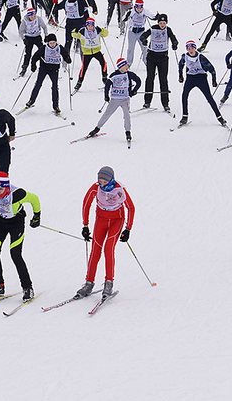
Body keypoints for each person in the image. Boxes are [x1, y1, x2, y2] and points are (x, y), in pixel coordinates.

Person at [0, 172, 40, 302]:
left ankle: (28, 287)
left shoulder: (17, 194)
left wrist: (36, 216)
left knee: (15, 254)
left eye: (1, 189)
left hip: (16, 223)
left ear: (7, 187)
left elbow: (34, 199)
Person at [74, 166, 135, 299]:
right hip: (101, 220)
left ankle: (109, 283)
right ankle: (88, 283)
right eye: (100, 181)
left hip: (116, 221)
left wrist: (128, 228)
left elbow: (131, 207)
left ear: (111, 179)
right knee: (95, 250)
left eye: (105, 182)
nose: (102, 184)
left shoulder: (120, 189)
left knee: (108, 249)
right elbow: (86, 203)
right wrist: (85, 225)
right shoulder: (95, 188)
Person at [88, 58, 141, 142]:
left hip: (125, 99)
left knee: (127, 115)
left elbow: (138, 81)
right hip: (115, 99)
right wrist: (106, 96)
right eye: (126, 65)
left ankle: (128, 132)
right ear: (121, 67)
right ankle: (97, 128)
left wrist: (134, 91)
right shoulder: (114, 75)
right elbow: (107, 86)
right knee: (107, 114)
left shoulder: (129, 74)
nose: (128, 66)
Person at [177, 40, 226, 127]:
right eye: (188, 48)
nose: (190, 50)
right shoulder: (185, 57)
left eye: (192, 48)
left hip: (201, 78)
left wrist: (214, 80)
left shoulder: (201, 57)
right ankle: (184, 116)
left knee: (209, 98)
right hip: (190, 78)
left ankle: (220, 117)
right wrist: (180, 76)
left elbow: (212, 69)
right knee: (184, 95)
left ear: (195, 48)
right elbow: (180, 65)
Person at [139, 13, 178, 112]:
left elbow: (174, 39)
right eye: (160, 23)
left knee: (163, 80)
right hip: (152, 57)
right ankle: (147, 101)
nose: (162, 25)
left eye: (164, 23)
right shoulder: (153, 28)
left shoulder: (168, 30)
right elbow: (143, 36)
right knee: (150, 78)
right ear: (158, 22)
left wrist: (174, 44)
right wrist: (144, 40)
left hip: (163, 58)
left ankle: (165, 103)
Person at [25, 33, 71, 113]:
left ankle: (56, 106)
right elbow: (35, 57)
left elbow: (65, 54)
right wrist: (33, 65)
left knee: (55, 87)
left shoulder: (59, 47)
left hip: (54, 69)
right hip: (44, 68)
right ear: (48, 43)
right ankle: (31, 101)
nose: (52, 44)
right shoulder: (44, 48)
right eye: (50, 43)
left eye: (54, 43)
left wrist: (67, 58)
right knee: (38, 84)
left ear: (56, 42)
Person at [71, 18, 109, 92]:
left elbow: (106, 34)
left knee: (104, 63)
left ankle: (105, 78)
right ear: (86, 25)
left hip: (96, 51)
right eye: (89, 25)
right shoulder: (82, 31)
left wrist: (102, 30)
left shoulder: (97, 30)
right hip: (87, 53)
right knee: (84, 68)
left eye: (92, 26)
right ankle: (79, 83)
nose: (90, 27)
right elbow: (73, 35)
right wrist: (74, 30)